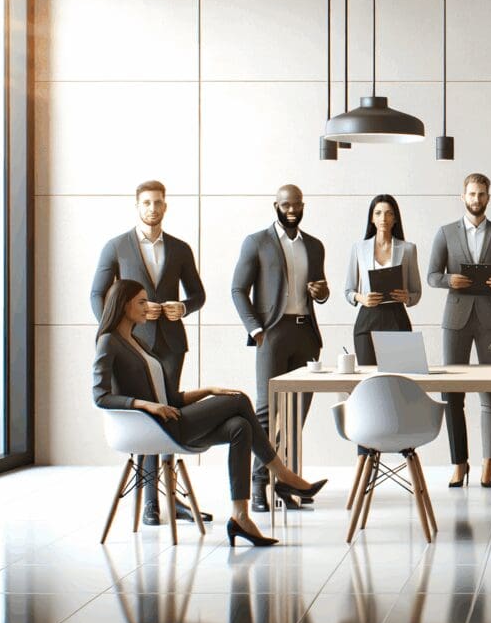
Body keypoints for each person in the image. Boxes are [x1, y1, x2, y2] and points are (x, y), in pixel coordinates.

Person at [94, 280, 326, 547]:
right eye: (142, 302)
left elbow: (171, 399)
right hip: (157, 427)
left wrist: (208, 390)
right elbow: (100, 396)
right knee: (239, 399)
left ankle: (240, 516)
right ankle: (283, 475)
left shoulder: (137, 342)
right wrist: (144, 405)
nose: (149, 307)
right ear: (123, 305)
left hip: (169, 418)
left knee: (241, 426)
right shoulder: (108, 342)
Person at [90, 180, 208, 527]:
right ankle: (151, 503)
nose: (152, 209)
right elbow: (98, 294)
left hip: (171, 345)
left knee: (169, 413)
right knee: (146, 417)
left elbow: (198, 295)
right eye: (146, 203)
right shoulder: (116, 247)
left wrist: (181, 308)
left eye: (157, 203)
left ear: (165, 206)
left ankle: (171, 499)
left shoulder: (180, 249)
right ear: (136, 206)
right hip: (134, 347)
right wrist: (116, 333)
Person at [231, 184, 330, 512]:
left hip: (306, 335)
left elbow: (321, 291)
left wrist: (321, 291)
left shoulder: (314, 246)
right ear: (276, 205)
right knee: (267, 412)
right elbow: (238, 289)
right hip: (271, 335)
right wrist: (255, 328)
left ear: (303, 206)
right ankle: (258, 485)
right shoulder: (257, 242)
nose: (292, 209)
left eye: (297, 204)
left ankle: (285, 483)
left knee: (295, 415)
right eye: (286, 204)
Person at [427, 173, 491, 488]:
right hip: (455, 319)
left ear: (489, 197)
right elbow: (431, 276)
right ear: (462, 196)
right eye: (472, 194)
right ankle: (459, 463)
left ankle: (488, 462)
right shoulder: (446, 233)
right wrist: (450, 280)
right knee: (452, 395)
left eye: (482, 194)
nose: (476, 199)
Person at [343, 194, 423, 457]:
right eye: (378, 213)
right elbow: (348, 290)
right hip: (367, 320)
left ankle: (405, 450)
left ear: (395, 218)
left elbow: (416, 292)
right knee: (366, 390)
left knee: (401, 388)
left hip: (397, 320)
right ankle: (364, 457)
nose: (383, 218)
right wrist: (361, 297)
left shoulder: (408, 249)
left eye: (388, 213)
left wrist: (406, 297)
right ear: (371, 217)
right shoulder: (358, 248)